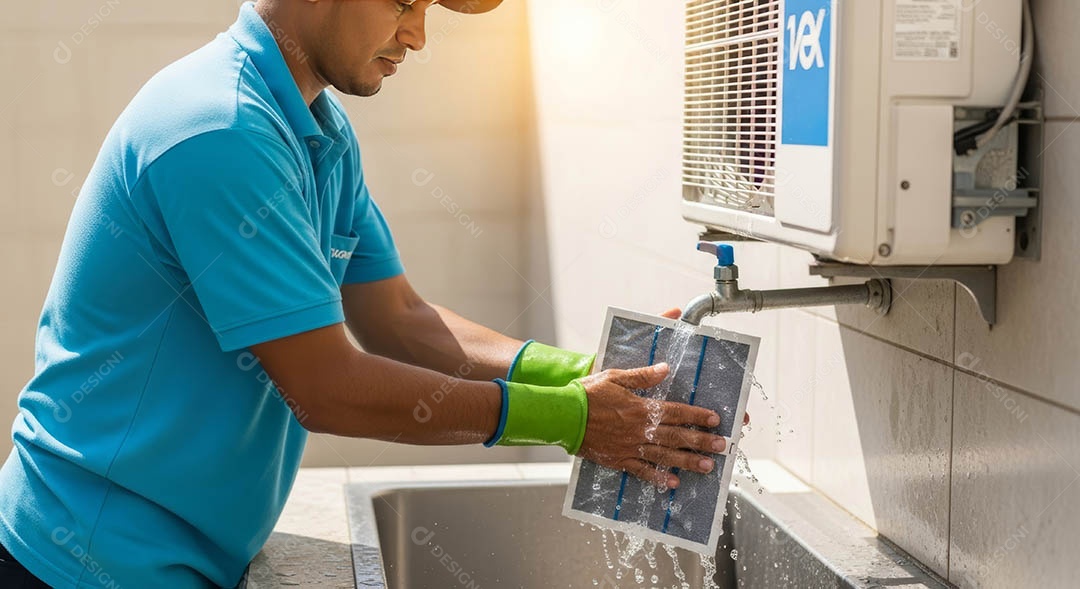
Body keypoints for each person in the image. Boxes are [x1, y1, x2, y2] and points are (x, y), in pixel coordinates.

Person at [0, 1, 742, 586]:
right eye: (402, 2)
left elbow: (398, 318)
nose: (418, 35)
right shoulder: (218, 129)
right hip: (82, 560)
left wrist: (581, 377)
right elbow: (326, 387)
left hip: (178, 558)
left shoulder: (318, 129)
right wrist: (570, 419)